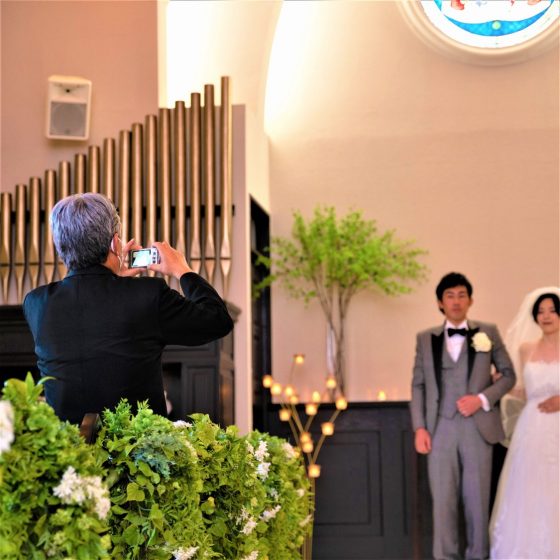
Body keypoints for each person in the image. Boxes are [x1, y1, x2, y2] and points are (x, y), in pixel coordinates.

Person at [23, 193, 233, 425]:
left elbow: (92, 319)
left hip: (70, 446)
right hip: (139, 446)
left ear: (60, 246)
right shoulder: (148, 295)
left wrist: (114, 281)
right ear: (115, 243)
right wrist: (181, 269)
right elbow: (218, 320)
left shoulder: (36, 303)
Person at [410, 272, 516, 560]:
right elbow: (418, 385)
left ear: (471, 300)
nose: (456, 301)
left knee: (477, 500)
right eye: (450, 296)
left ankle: (478, 555)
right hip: (439, 428)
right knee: (442, 501)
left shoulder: (488, 332)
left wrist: (481, 399)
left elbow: (508, 375)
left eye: (461, 295)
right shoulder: (424, 339)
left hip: (477, 429)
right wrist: (420, 428)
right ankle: (444, 556)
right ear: (440, 303)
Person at [489, 288, 560, 559]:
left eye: (552, 310)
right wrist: (503, 386)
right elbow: (527, 393)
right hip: (532, 428)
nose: (546, 316)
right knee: (529, 486)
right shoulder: (526, 349)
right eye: (540, 311)